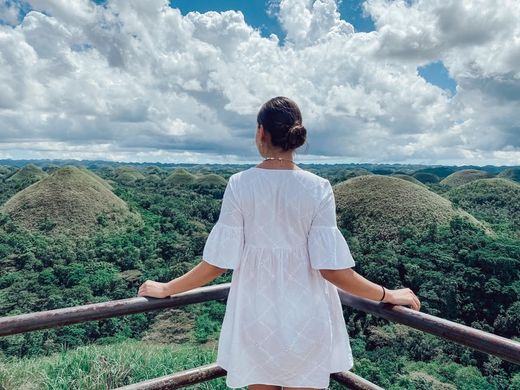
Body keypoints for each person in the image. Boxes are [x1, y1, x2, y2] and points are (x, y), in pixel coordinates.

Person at [138, 96, 421, 390]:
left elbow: (218, 263)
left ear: (261, 132)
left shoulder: (240, 184)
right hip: (307, 318)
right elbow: (333, 271)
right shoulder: (318, 188)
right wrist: (387, 294)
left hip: (255, 316)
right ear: (297, 136)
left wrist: (168, 288)